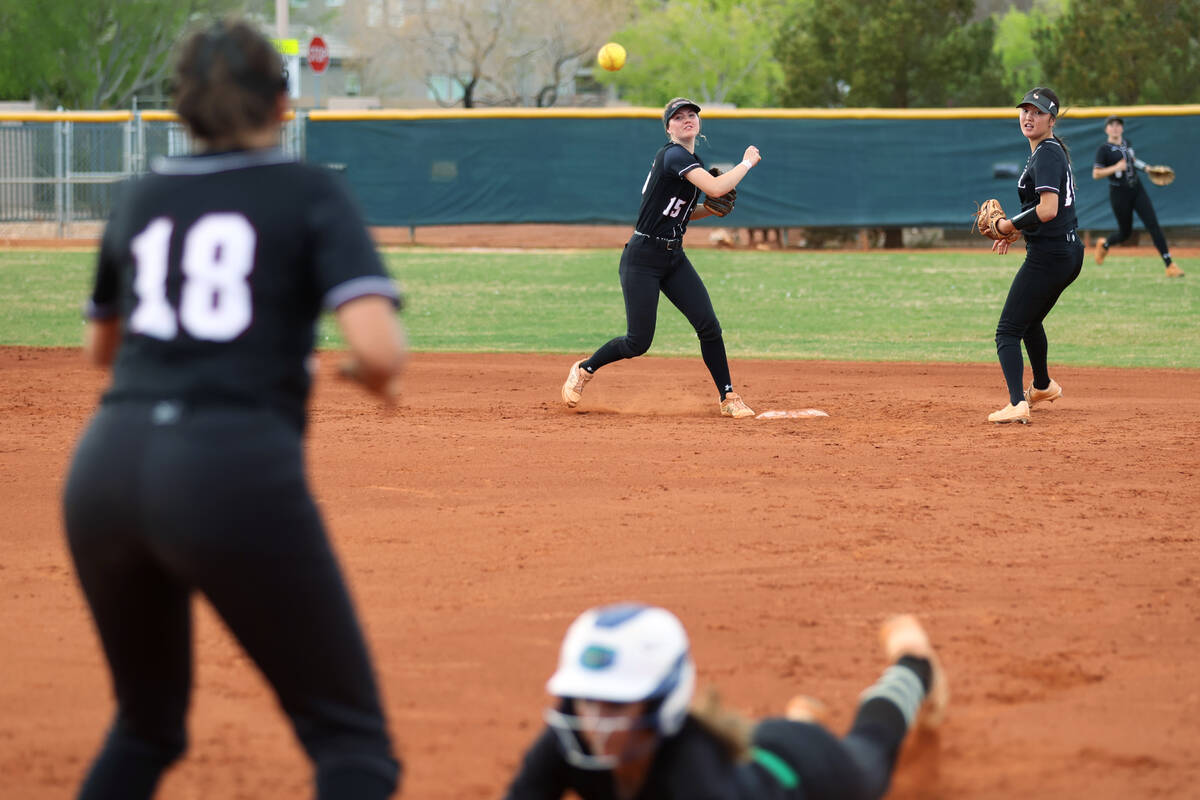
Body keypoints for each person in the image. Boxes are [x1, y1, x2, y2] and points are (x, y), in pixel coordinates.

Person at [61, 19, 406, 800]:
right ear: (282, 104)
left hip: (104, 473)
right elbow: (380, 349)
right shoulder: (308, 189)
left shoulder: (144, 192)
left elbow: (99, 351)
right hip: (227, 473)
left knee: (145, 729)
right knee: (352, 747)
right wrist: (360, 376)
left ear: (182, 109)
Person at [502, 603, 948, 800]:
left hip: (809, 774)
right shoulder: (568, 739)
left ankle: (912, 661)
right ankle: (801, 717)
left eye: (618, 706)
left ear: (662, 703)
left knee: (871, 752)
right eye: (588, 702)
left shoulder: (695, 778)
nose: (598, 723)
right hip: (753, 752)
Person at [560, 97, 762, 419]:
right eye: (678, 117)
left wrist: (706, 211)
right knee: (638, 341)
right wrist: (746, 163)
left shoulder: (688, 159)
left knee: (708, 325)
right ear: (668, 127)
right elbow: (716, 186)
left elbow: (678, 215)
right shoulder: (673, 155)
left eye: (691, 115)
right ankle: (585, 369)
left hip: (673, 256)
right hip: (642, 258)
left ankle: (728, 397)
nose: (687, 120)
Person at [983, 88, 1084, 425]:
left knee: (1007, 331)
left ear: (1051, 120)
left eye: (1038, 112)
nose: (1029, 116)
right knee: (1029, 321)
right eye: (1025, 110)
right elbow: (1048, 213)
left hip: (1051, 256)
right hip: (1064, 252)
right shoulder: (1047, 152)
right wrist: (1018, 232)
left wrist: (1008, 223)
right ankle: (1041, 386)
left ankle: (1016, 403)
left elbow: (1048, 209)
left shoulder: (1046, 153)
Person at [1092, 115, 1184, 277]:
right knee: (1125, 233)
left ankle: (1169, 264)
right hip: (1119, 193)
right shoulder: (1103, 150)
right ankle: (1105, 244)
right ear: (1106, 129)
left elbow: (1132, 160)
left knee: (1153, 225)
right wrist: (1115, 168)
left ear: (1122, 128)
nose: (1115, 127)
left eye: (1118, 124)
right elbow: (1096, 174)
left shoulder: (1126, 143)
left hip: (1136, 188)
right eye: (1111, 125)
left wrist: (1147, 168)